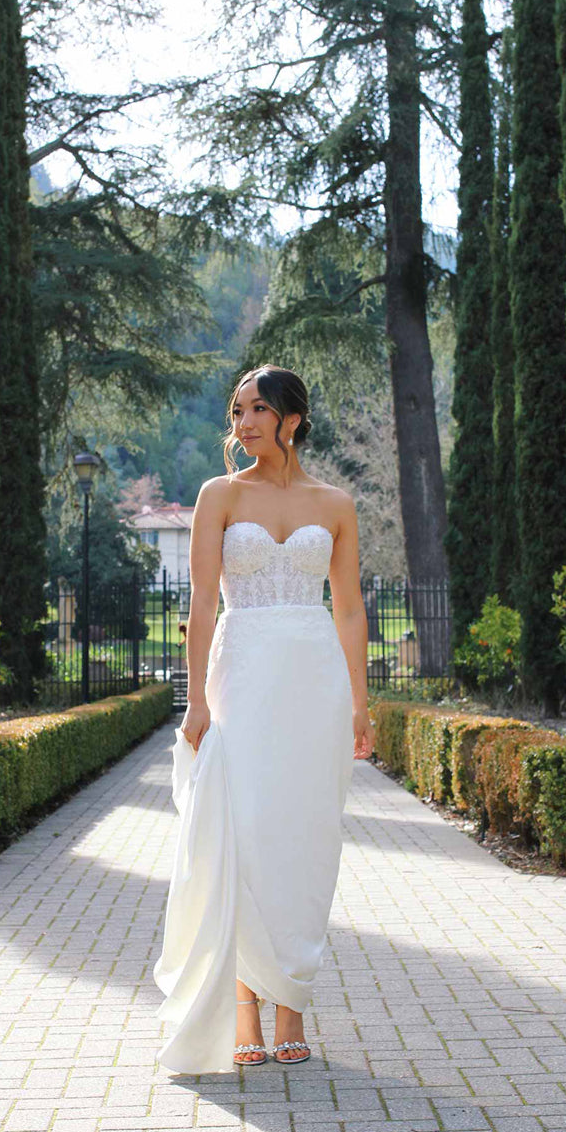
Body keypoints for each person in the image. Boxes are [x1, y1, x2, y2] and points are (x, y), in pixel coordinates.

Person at [154, 365, 374, 1073]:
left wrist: (360, 702)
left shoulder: (335, 503)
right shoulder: (218, 495)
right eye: (237, 411)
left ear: (292, 420)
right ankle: (244, 1003)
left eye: (257, 410)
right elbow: (201, 603)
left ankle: (292, 1004)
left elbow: (348, 609)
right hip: (242, 677)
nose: (243, 423)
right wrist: (196, 700)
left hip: (313, 684)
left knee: (305, 840)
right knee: (242, 834)